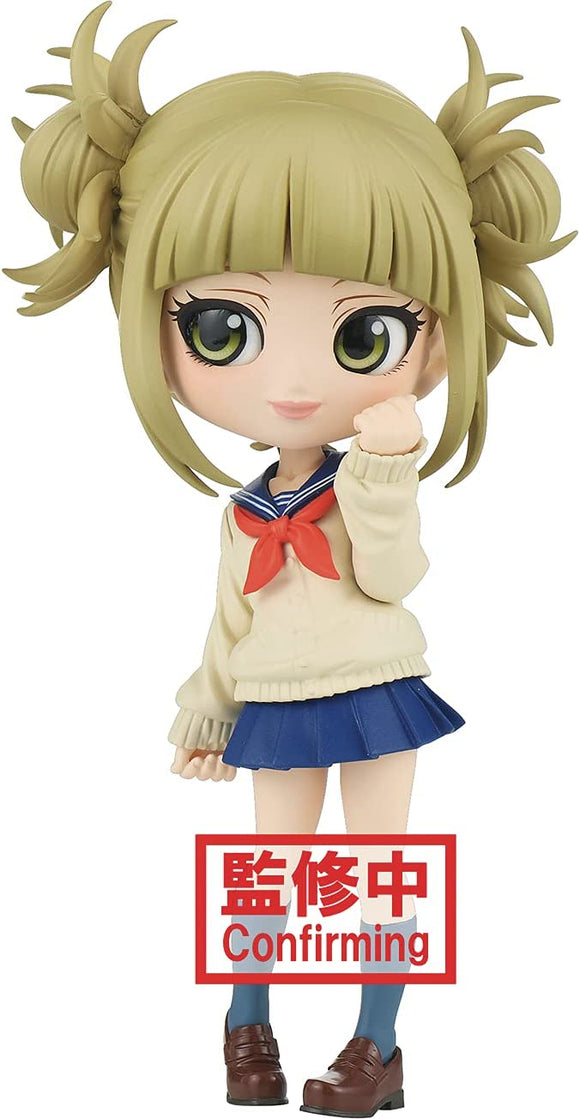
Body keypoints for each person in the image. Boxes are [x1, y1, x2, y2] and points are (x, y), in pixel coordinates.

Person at [5, 5, 574, 1114]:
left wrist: (386, 468)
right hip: (275, 697)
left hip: (378, 687)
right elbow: (229, 619)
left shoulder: (367, 480)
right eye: (223, 329)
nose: (298, 382)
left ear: (436, 331)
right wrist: (207, 709)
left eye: (365, 335)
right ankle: (246, 1021)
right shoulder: (246, 509)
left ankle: (378, 1043)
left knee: (384, 870)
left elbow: (392, 575)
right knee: (267, 869)